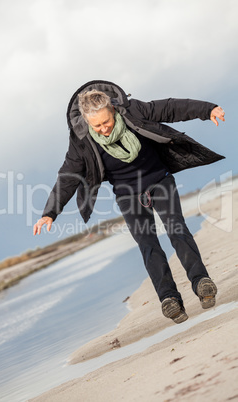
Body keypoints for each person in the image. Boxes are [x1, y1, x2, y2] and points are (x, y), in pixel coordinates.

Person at [33, 80, 225, 324]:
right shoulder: (81, 140)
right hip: (127, 195)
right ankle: (169, 299)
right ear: (86, 121)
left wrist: (207, 110)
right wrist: (50, 212)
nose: (103, 129)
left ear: (112, 109)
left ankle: (201, 282)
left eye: (106, 122)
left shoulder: (134, 111)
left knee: (178, 231)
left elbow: (170, 108)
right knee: (148, 244)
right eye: (97, 125)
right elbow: (67, 176)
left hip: (159, 182)